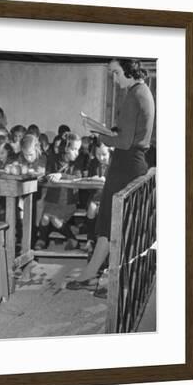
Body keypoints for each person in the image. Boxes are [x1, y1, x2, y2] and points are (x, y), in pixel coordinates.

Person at [66, 59, 155, 296]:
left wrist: (98, 133)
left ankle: (110, 279)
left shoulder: (134, 94)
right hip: (130, 164)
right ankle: (94, 274)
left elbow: (124, 142)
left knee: (114, 225)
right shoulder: (143, 90)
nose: (115, 79)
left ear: (128, 69)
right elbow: (127, 134)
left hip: (126, 166)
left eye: (116, 73)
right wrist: (109, 131)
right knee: (109, 223)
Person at [35, 133, 82, 251]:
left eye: (78, 149)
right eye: (74, 149)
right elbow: (47, 175)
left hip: (68, 202)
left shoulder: (77, 163)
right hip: (52, 200)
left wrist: (61, 175)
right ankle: (42, 240)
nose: (77, 152)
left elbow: (77, 178)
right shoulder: (53, 160)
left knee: (54, 219)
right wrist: (44, 177)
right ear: (66, 148)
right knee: (45, 217)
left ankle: (73, 239)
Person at [83, 141, 111, 253]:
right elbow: (89, 180)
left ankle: (101, 240)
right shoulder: (94, 162)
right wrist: (92, 179)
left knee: (102, 211)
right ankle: (90, 239)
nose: (101, 157)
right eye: (98, 154)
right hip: (96, 194)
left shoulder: (115, 163)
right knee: (91, 208)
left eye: (104, 154)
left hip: (109, 195)